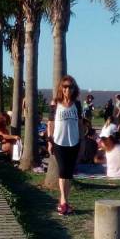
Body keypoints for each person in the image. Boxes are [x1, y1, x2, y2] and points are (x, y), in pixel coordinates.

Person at [47, 75, 83, 216]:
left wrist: (83, 141)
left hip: (73, 142)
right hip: (59, 142)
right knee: (62, 171)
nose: (67, 89)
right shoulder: (55, 103)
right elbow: (50, 123)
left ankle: (65, 202)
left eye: (70, 86)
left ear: (74, 88)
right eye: (65, 86)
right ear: (61, 88)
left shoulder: (77, 104)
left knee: (68, 174)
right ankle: (62, 201)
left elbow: (80, 124)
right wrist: (50, 142)